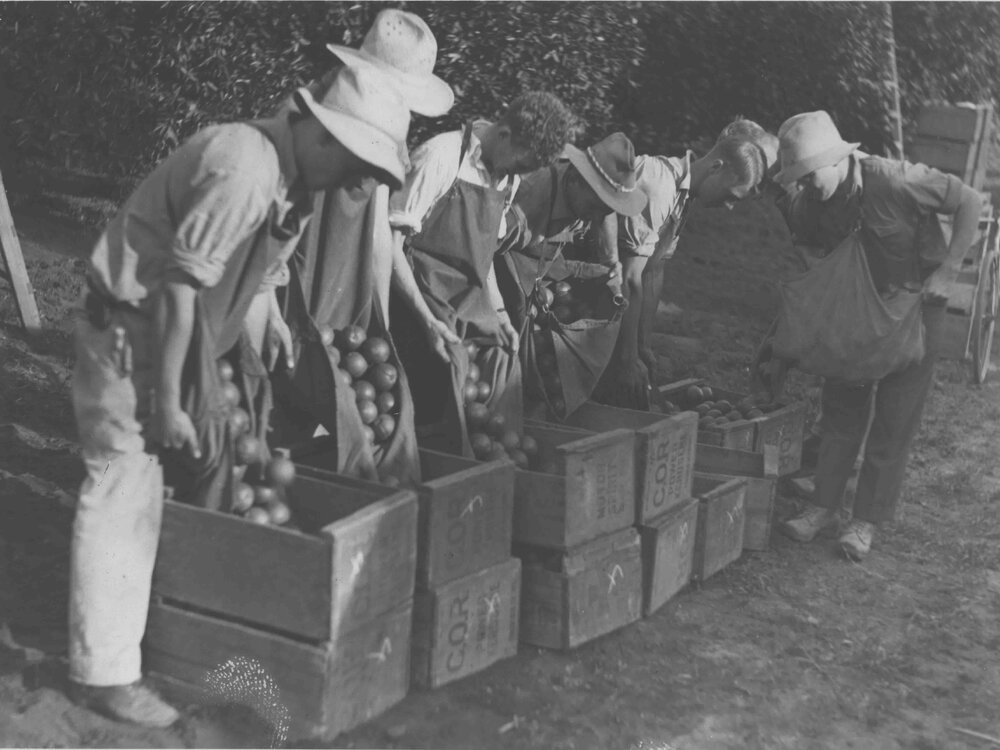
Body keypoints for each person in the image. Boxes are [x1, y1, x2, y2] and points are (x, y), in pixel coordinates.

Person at [68, 66, 409, 726]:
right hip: (133, 332)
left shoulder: (294, 182)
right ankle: (103, 675)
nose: (354, 184)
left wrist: (270, 323)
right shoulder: (246, 169)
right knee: (120, 488)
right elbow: (176, 288)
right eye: (356, 166)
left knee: (174, 484)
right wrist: (168, 399)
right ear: (326, 138)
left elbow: (256, 278)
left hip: (182, 336)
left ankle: (166, 632)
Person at [775, 110, 982, 560]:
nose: (805, 186)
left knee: (894, 417)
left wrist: (950, 269)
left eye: (809, 175)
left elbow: (970, 200)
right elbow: (805, 242)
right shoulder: (812, 201)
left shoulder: (895, 180)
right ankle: (823, 507)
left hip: (915, 307)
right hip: (857, 312)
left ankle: (864, 521)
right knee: (842, 409)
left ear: (836, 160)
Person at [387, 91, 575, 432]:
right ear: (504, 134)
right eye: (521, 164)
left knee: (505, 360)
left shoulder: (507, 178)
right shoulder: (440, 158)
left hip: (463, 303)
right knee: (449, 378)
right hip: (414, 298)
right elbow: (390, 247)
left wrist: (500, 313)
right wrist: (427, 320)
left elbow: (483, 252)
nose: (518, 174)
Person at [596, 121, 774, 407]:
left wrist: (642, 345)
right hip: (591, 286)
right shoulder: (659, 186)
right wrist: (627, 358)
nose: (729, 206)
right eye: (731, 196)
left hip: (616, 296)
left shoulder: (684, 196)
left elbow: (654, 272)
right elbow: (631, 279)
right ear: (716, 167)